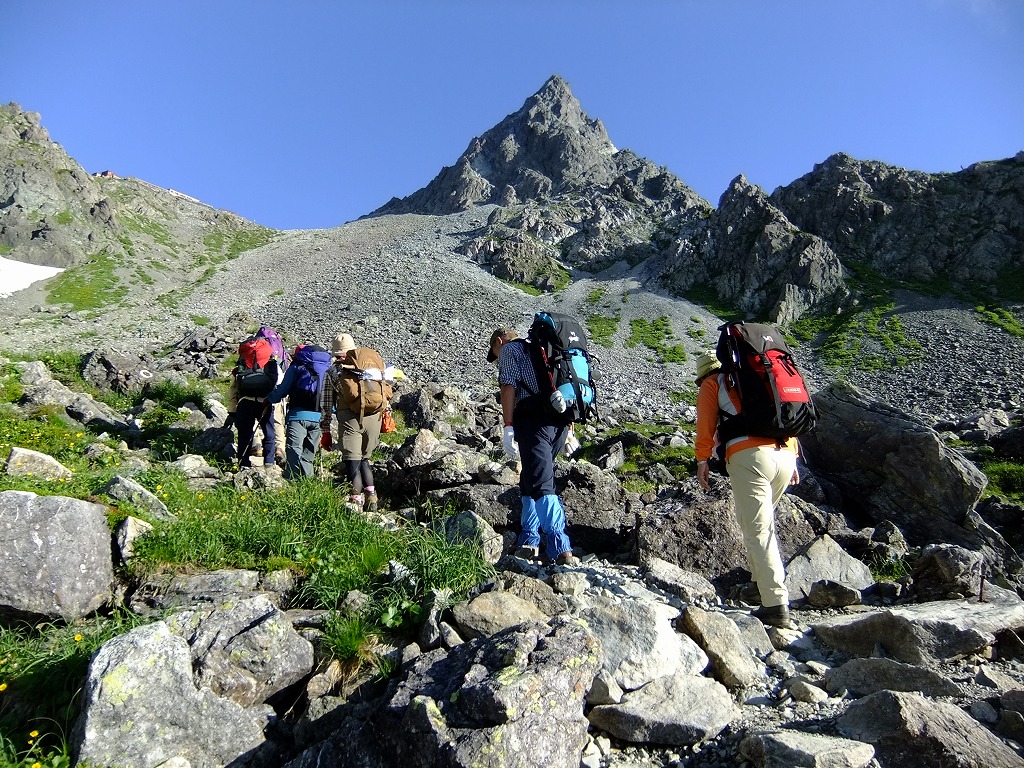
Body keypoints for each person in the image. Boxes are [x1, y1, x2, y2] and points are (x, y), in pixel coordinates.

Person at [694, 350, 799, 629]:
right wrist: (794, 458)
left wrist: (702, 459)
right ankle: (758, 584)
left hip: (749, 456)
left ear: (703, 373)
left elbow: (705, 424)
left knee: (758, 530)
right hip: (785, 454)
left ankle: (776, 605)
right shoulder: (754, 378)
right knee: (760, 524)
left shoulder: (712, 383)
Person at [488, 326, 578, 566]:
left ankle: (560, 547)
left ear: (499, 341)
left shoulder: (510, 350)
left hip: (533, 421)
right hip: (559, 423)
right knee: (530, 477)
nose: (497, 357)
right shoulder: (543, 348)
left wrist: (508, 426)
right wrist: (570, 431)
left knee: (541, 483)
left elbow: (508, 385)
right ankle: (529, 538)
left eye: (494, 352)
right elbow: (562, 385)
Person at [320, 332, 402, 513]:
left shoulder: (333, 371)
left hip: (349, 419)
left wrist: (325, 429)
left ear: (335, 353)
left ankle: (355, 500)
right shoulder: (369, 368)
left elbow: (326, 402)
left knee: (352, 460)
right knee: (365, 459)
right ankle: (372, 497)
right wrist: (387, 415)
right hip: (374, 417)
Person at [267, 343, 332, 480]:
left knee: (294, 450)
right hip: (319, 416)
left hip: (298, 415)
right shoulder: (328, 368)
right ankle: (307, 483)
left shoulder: (297, 365)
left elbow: (283, 389)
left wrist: (269, 399)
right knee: (309, 453)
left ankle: (292, 482)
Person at [225, 341, 279, 471]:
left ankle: (243, 463)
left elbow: (234, 388)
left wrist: (232, 410)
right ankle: (269, 462)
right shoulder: (270, 362)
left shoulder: (243, 362)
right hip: (265, 402)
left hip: (245, 402)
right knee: (269, 432)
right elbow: (277, 382)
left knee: (244, 433)